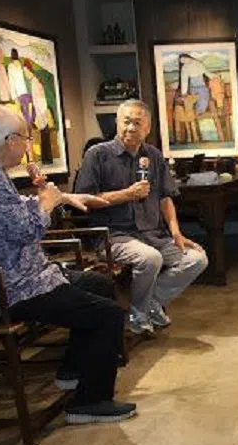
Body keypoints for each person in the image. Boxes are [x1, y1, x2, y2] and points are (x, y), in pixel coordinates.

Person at [0, 106, 135, 424]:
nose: (28, 146)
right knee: (107, 315)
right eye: (26, 138)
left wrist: (55, 198)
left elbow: (8, 214)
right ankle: (89, 402)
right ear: (10, 139)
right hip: (13, 286)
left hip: (23, 273)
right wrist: (47, 200)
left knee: (99, 284)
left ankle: (73, 370)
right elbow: (24, 229)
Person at [74, 100, 209, 335]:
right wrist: (126, 194)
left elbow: (166, 198)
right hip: (113, 236)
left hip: (152, 234)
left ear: (147, 128)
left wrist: (176, 233)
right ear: (117, 123)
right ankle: (139, 314)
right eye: (126, 121)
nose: (131, 128)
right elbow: (83, 200)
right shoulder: (97, 155)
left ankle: (148, 304)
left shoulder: (153, 156)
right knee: (150, 258)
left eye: (137, 123)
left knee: (197, 258)